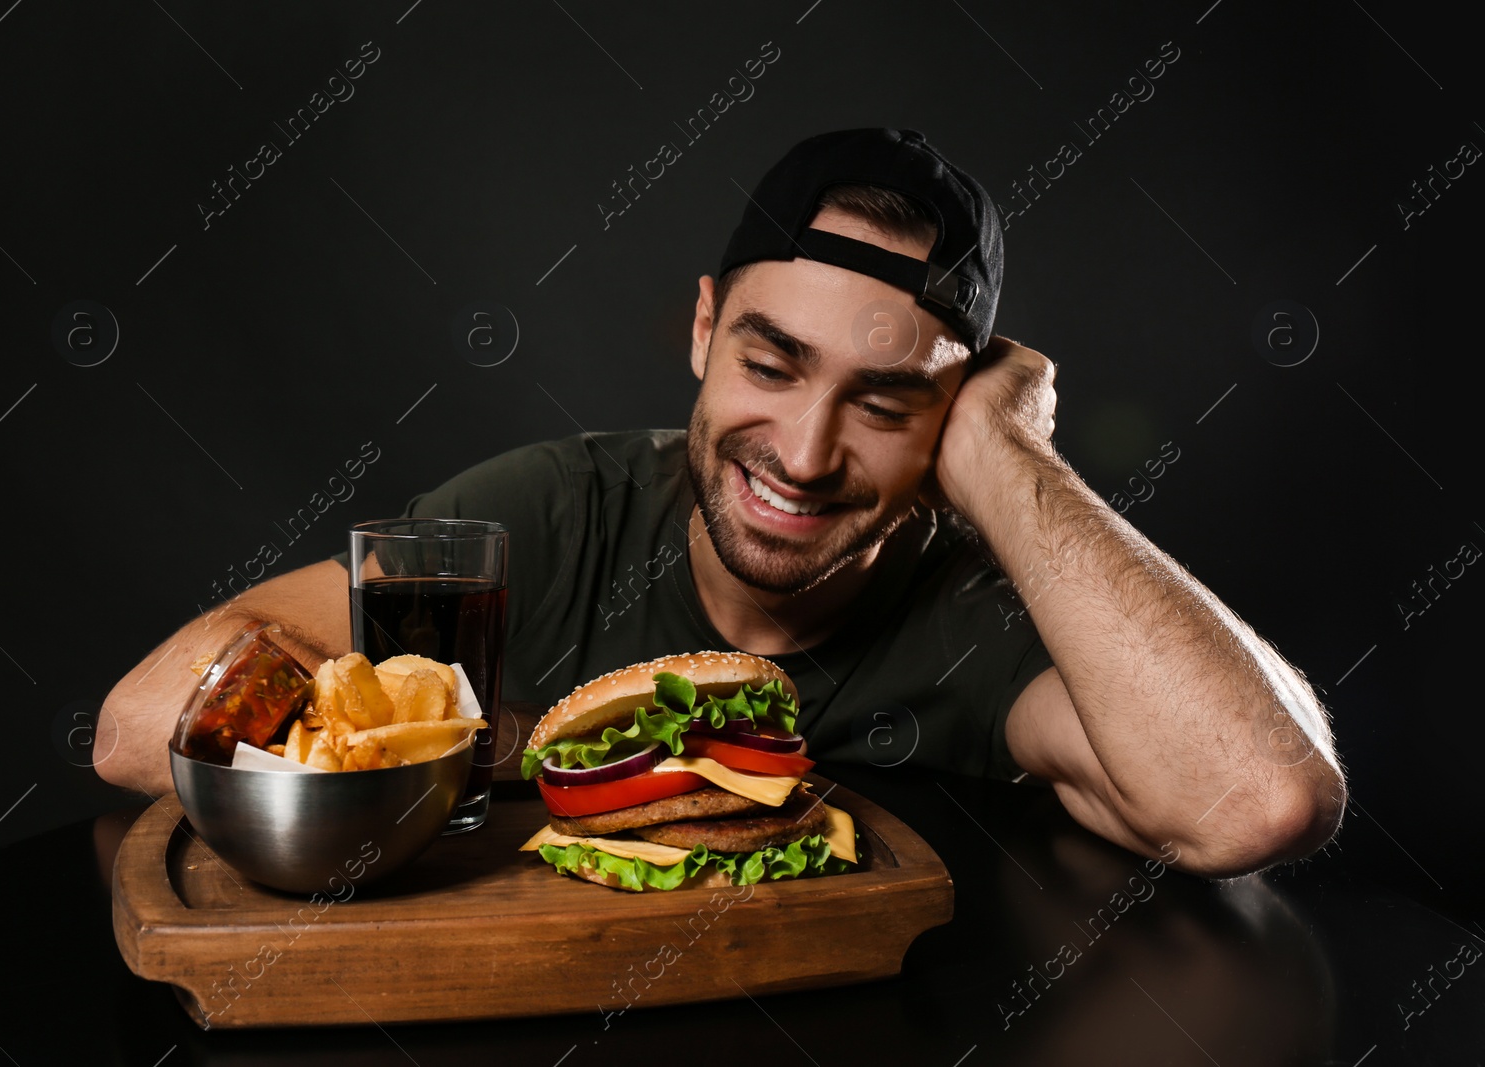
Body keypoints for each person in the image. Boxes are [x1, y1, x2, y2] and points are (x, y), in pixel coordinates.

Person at [96, 128, 1345, 877]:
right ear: (702, 328)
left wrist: (1018, 465)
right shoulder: (556, 511)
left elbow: (1258, 797)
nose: (802, 453)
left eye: (887, 401)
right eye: (770, 360)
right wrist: (544, 747)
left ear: (958, 422)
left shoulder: (986, 604)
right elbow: (141, 716)